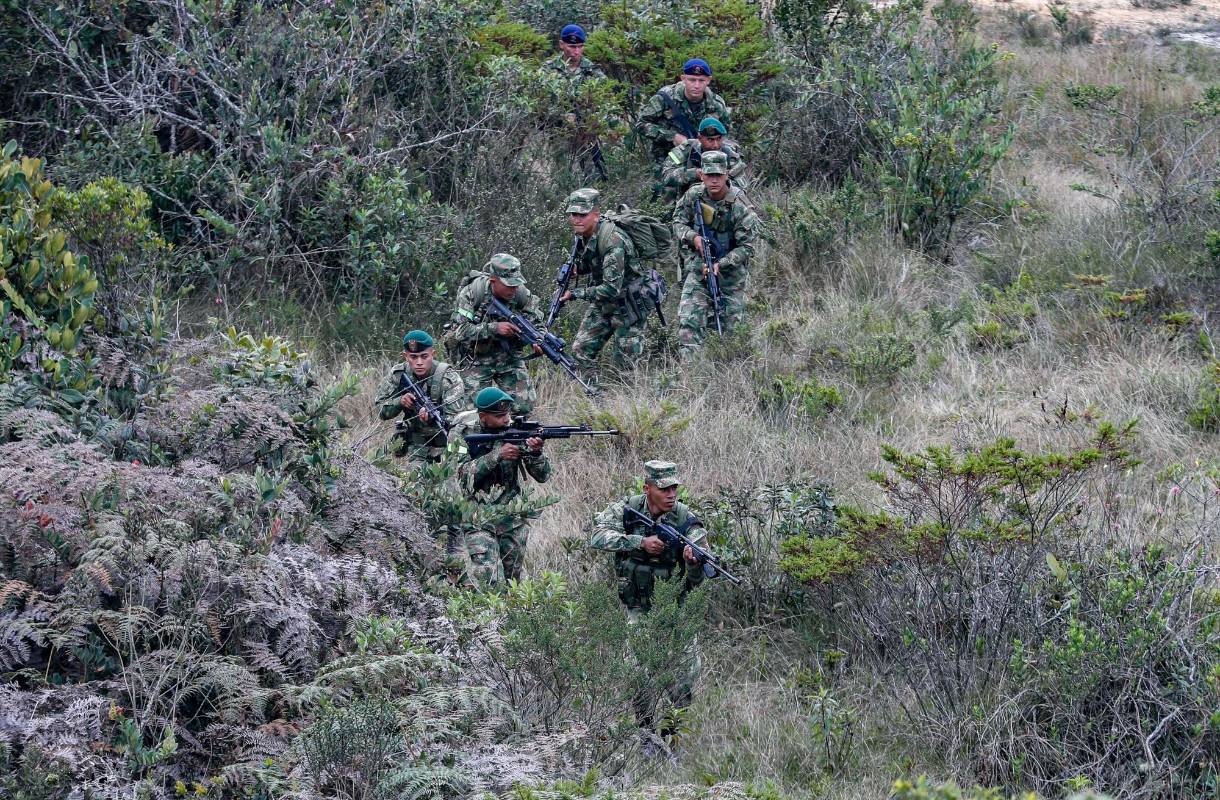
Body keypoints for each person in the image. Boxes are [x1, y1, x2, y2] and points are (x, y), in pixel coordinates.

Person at [589, 460, 706, 729]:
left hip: (677, 607)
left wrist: (692, 561)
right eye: (664, 489)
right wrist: (638, 542)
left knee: (687, 672)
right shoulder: (626, 509)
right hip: (639, 605)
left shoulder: (686, 520)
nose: (671, 495)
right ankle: (645, 731)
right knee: (636, 671)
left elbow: (697, 579)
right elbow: (597, 536)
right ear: (647, 488)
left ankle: (673, 732)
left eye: (674, 488)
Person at [447, 387, 551, 586]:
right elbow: (459, 475)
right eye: (500, 415)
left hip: (512, 518)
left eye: (508, 414)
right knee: (489, 581)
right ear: (483, 416)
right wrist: (497, 455)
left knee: (514, 582)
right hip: (478, 517)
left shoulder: (516, 431)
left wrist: (536, 453)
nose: (506, 419)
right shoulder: (460, 434)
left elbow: (543, 476)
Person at [671, 150, 760, 356]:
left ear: (727, 174)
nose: (713, 181)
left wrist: (723, 263)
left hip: (730, 275)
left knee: (731, 330)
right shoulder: (693, 195)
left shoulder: (740, 206)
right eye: (709, 176)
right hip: (699, 267)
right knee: (688, 320)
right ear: (701, 175)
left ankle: (729, 371)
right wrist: (693, 237)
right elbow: (677, 221)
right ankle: (690, 374)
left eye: (718, 176)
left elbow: (747, 247)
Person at [557, 188, 650, 382]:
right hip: (604, 303)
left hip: (628, 306)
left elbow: (610, 288)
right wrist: (577, 268)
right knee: (580, 351)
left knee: (626, 367)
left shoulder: (613, 241)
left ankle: (632, 406)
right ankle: (595, 398)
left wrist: (575, 294)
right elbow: (592, 264)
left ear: (596, 215)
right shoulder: (583, 236)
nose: (577, 219)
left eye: (583, 214)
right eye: (573, 214)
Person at [448, 253, 544, 414]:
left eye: (516, 284)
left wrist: (539, 340)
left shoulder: (521, 295)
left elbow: (538, 324)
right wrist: (494, 328)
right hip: (475, 360)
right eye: (508, 285)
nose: (513, 289)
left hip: (509, 359)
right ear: (493, 280)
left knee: (523, 408)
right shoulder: (472, 293)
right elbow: (461, 331)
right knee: (473, 413)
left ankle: (514, 438)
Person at [372, 329, 467, 465]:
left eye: (424, 356)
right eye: (413, 357)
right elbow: (380, 411)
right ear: (405, 356)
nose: (419, 362)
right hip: (417, 447)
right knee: (414, 484)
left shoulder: (449, 378)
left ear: (433, 354)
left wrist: (433, 416)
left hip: (447, 446)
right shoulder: (398, 375)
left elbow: (458, 421)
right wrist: (400, 402)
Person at [542, 24, 611, 182]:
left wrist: (592, 122)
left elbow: (607, 101)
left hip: (587, 136)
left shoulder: (593, 71)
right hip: (560, 135)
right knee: (563, 178)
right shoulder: (548, 70)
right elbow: (541, 104)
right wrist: (561, 116)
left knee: (594, 178)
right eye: (572, 46)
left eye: (580, 47)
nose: (577, 51)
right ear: (561, 45)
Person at [636, 59, 731, 167]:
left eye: (701, 80)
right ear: (683, 79)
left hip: (704, 158)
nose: (697, 85)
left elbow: (725, 131)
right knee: (670, 181)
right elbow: (641, 124)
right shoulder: (665, 98)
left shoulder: (716, 104)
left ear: (708, 80)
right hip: (668, 157)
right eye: (692, 80)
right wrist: (672, 137)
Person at [659, 116, 748, 200]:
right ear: (700, 138)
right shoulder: (686, 149)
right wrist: (694, 174)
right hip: (687, 199)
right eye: (710, 140)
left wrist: (720, 179)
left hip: (721, 202)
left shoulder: (730, 154)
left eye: (719, 138)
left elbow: (741, 187)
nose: (715, 144)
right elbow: (665, 175)